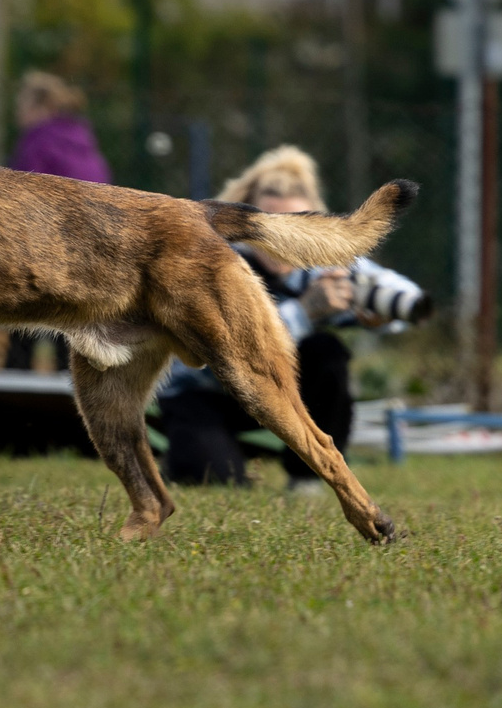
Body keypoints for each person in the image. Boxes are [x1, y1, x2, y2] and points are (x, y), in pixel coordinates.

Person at [155, 144, 428, 489]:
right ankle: (185, 460)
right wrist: (305, 311)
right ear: (244, 223)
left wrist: (380, 313)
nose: (284, 238)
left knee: (326, 352)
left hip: (276, 393)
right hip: (205, 391)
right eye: (271, 225)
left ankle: (307, 479)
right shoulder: (214, 259)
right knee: (217, 481)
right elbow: (228, 352)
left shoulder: (320, 262)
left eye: (296, 226)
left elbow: (400, 294)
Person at [0, 71, 111, 369]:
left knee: (22, 324)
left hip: (43, 255)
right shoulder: (85, 143)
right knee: (68, 340)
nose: (19, 114)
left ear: (40, 107)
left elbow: (19, 202)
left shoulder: (37, 142)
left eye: (22, 106)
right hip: (88, 260)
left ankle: (13, 391)